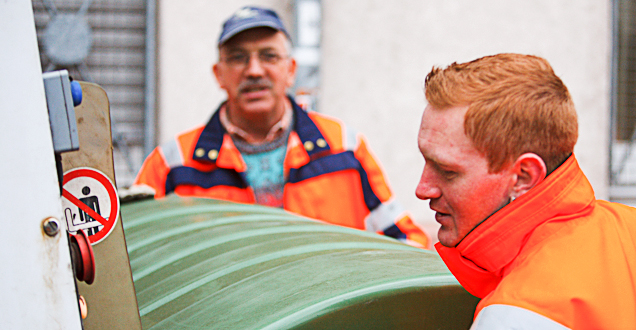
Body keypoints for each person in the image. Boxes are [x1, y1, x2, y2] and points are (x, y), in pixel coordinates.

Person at [133, 6, 430, 248]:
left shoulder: (345, 149)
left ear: (290, 70)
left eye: (268, 56)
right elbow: (133, 256)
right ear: (219, 74)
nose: (254, 70)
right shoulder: (173, 164)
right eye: (238, 58)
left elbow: (407, 243)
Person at [416, 53, 636, 329]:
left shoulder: (514, 316)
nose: (422, 189)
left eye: (448, 171)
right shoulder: (628, 229)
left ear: (523, 176)